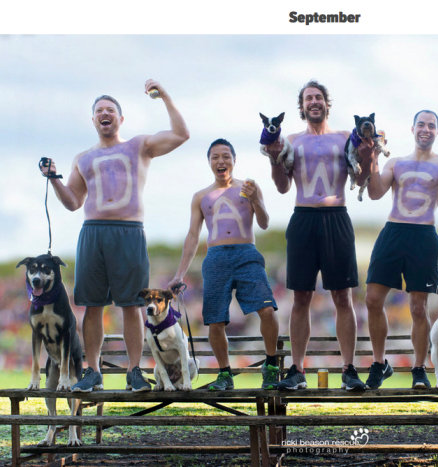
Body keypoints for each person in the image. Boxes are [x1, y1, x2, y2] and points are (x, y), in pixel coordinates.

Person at [40, 80, 190, 392]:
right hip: (93, 232)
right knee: (92, 306)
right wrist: (54, 178)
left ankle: (134, 370)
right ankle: (92, 371)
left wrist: (164, 96)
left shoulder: (138, 145)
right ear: (93, 120)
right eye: (99, 111)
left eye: (111, 110)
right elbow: (72, 202)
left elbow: (181, 134)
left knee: (132, 305)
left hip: (129, 231)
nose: (104, 114)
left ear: (121, 119)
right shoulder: (83, 158)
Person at [263, 80, 376, 391]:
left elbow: (361, 178)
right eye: (308, 98)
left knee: (343, 297)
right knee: (301, 297)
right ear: (301, 107)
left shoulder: (344, 138)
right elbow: (283, 186)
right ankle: (297, 370)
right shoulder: (291, 141)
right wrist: (274, 158)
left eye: (319, 97)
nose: (314, 102)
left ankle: (349, 369)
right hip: (303, 218)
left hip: (336, 216)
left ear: (327, 103)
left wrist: (367, 156)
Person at [167, 139, 280, 390]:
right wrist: (179, 274)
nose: (221, 161)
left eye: (226, 156)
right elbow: (193, 236)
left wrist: (257, 201)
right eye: (216, 157)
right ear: (209, 162)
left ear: (234, 160)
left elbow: (263, 222)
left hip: (246, 253)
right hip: (216, 256)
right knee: (215, 321)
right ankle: (225, 374)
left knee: (267, 310)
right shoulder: (201, 197)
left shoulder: (248, 187)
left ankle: (271, 365)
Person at [364, 110, 438, 389]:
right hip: (394, 231)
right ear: (412, 129)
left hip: (424, 235)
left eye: (432, 125)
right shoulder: (395, 163)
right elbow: (375, 192)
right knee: (372, 299)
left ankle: (419, 369)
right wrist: (372, 158)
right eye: (421, 124)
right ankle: (379, 362)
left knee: (419, 307)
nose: (426, 129)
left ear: (436, 132)